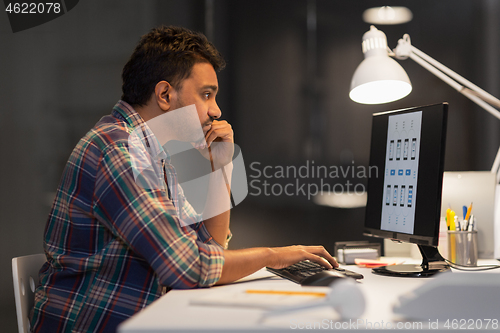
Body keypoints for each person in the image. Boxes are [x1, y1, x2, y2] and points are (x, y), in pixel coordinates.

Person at [30, 26, 337, 333]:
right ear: (164, 94)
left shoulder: (157, 153)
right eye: (206, 95)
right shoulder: (119, 150)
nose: (215, 110)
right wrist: (277, 255)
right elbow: (189, 268)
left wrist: (221, 166)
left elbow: (211, 250)